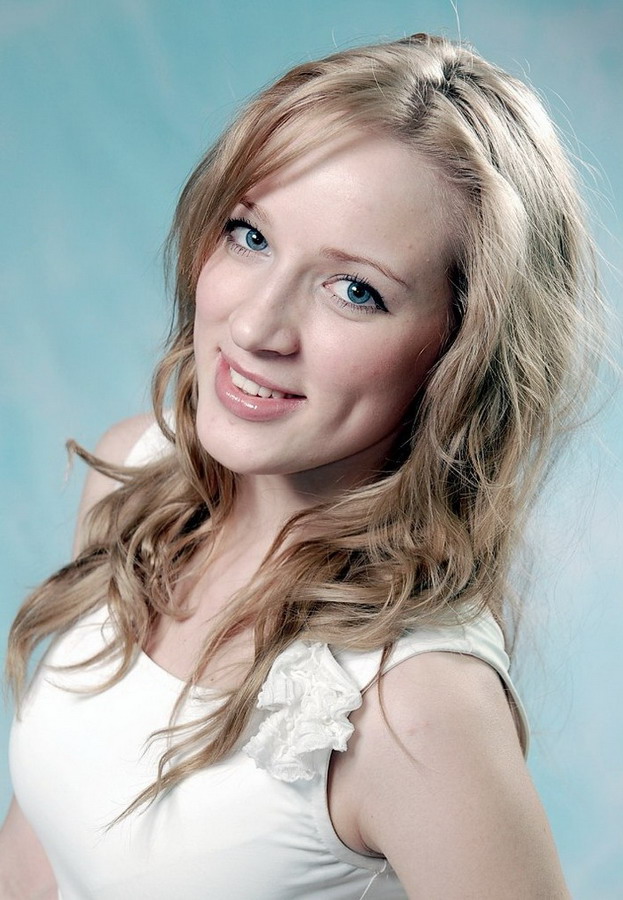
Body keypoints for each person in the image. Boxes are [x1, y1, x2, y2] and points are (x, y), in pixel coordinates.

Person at [0, 32, 599, 899]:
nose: (255, 327)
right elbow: (36, 853)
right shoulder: (133, 482)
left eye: (355, 290)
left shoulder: (416, 703)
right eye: (250, 235)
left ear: (459, 354)